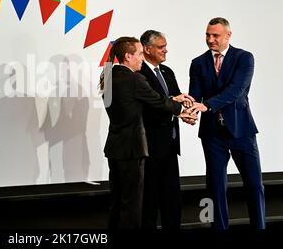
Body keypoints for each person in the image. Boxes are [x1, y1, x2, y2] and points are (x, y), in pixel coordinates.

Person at [99, 36, 195, 229]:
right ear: (128, 56)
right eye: (139, 54)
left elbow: (139, 104)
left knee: (118, 201)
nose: (141, 59)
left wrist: (172, 103)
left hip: (115, 148)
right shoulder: (134, 79)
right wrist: (181, 110)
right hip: (132, 149)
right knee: (132, 205)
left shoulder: (108, 76)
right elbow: (158, 101)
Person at [188, 17, 265, 229]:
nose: (210, 39)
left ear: (228, 35)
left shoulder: (244, 58)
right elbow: (195, 96)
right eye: (207, 35)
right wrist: (190, 110)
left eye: (215, 35)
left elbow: (236, 90)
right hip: (212, 134)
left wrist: (207, 105)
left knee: (254, 185)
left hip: (242, 130)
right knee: (214, 187)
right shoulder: (198, 63)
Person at [139, 30, 187, 229]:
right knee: (149, 200)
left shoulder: (167, 71)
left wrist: (186, 113)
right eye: (161, 47)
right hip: (150, 147)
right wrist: (175, 108)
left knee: (172, 198)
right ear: (147, 49)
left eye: (165, 46)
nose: (165, 50)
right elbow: (148, 107)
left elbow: (176, 100)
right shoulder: (139, 73)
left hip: (170, 145)